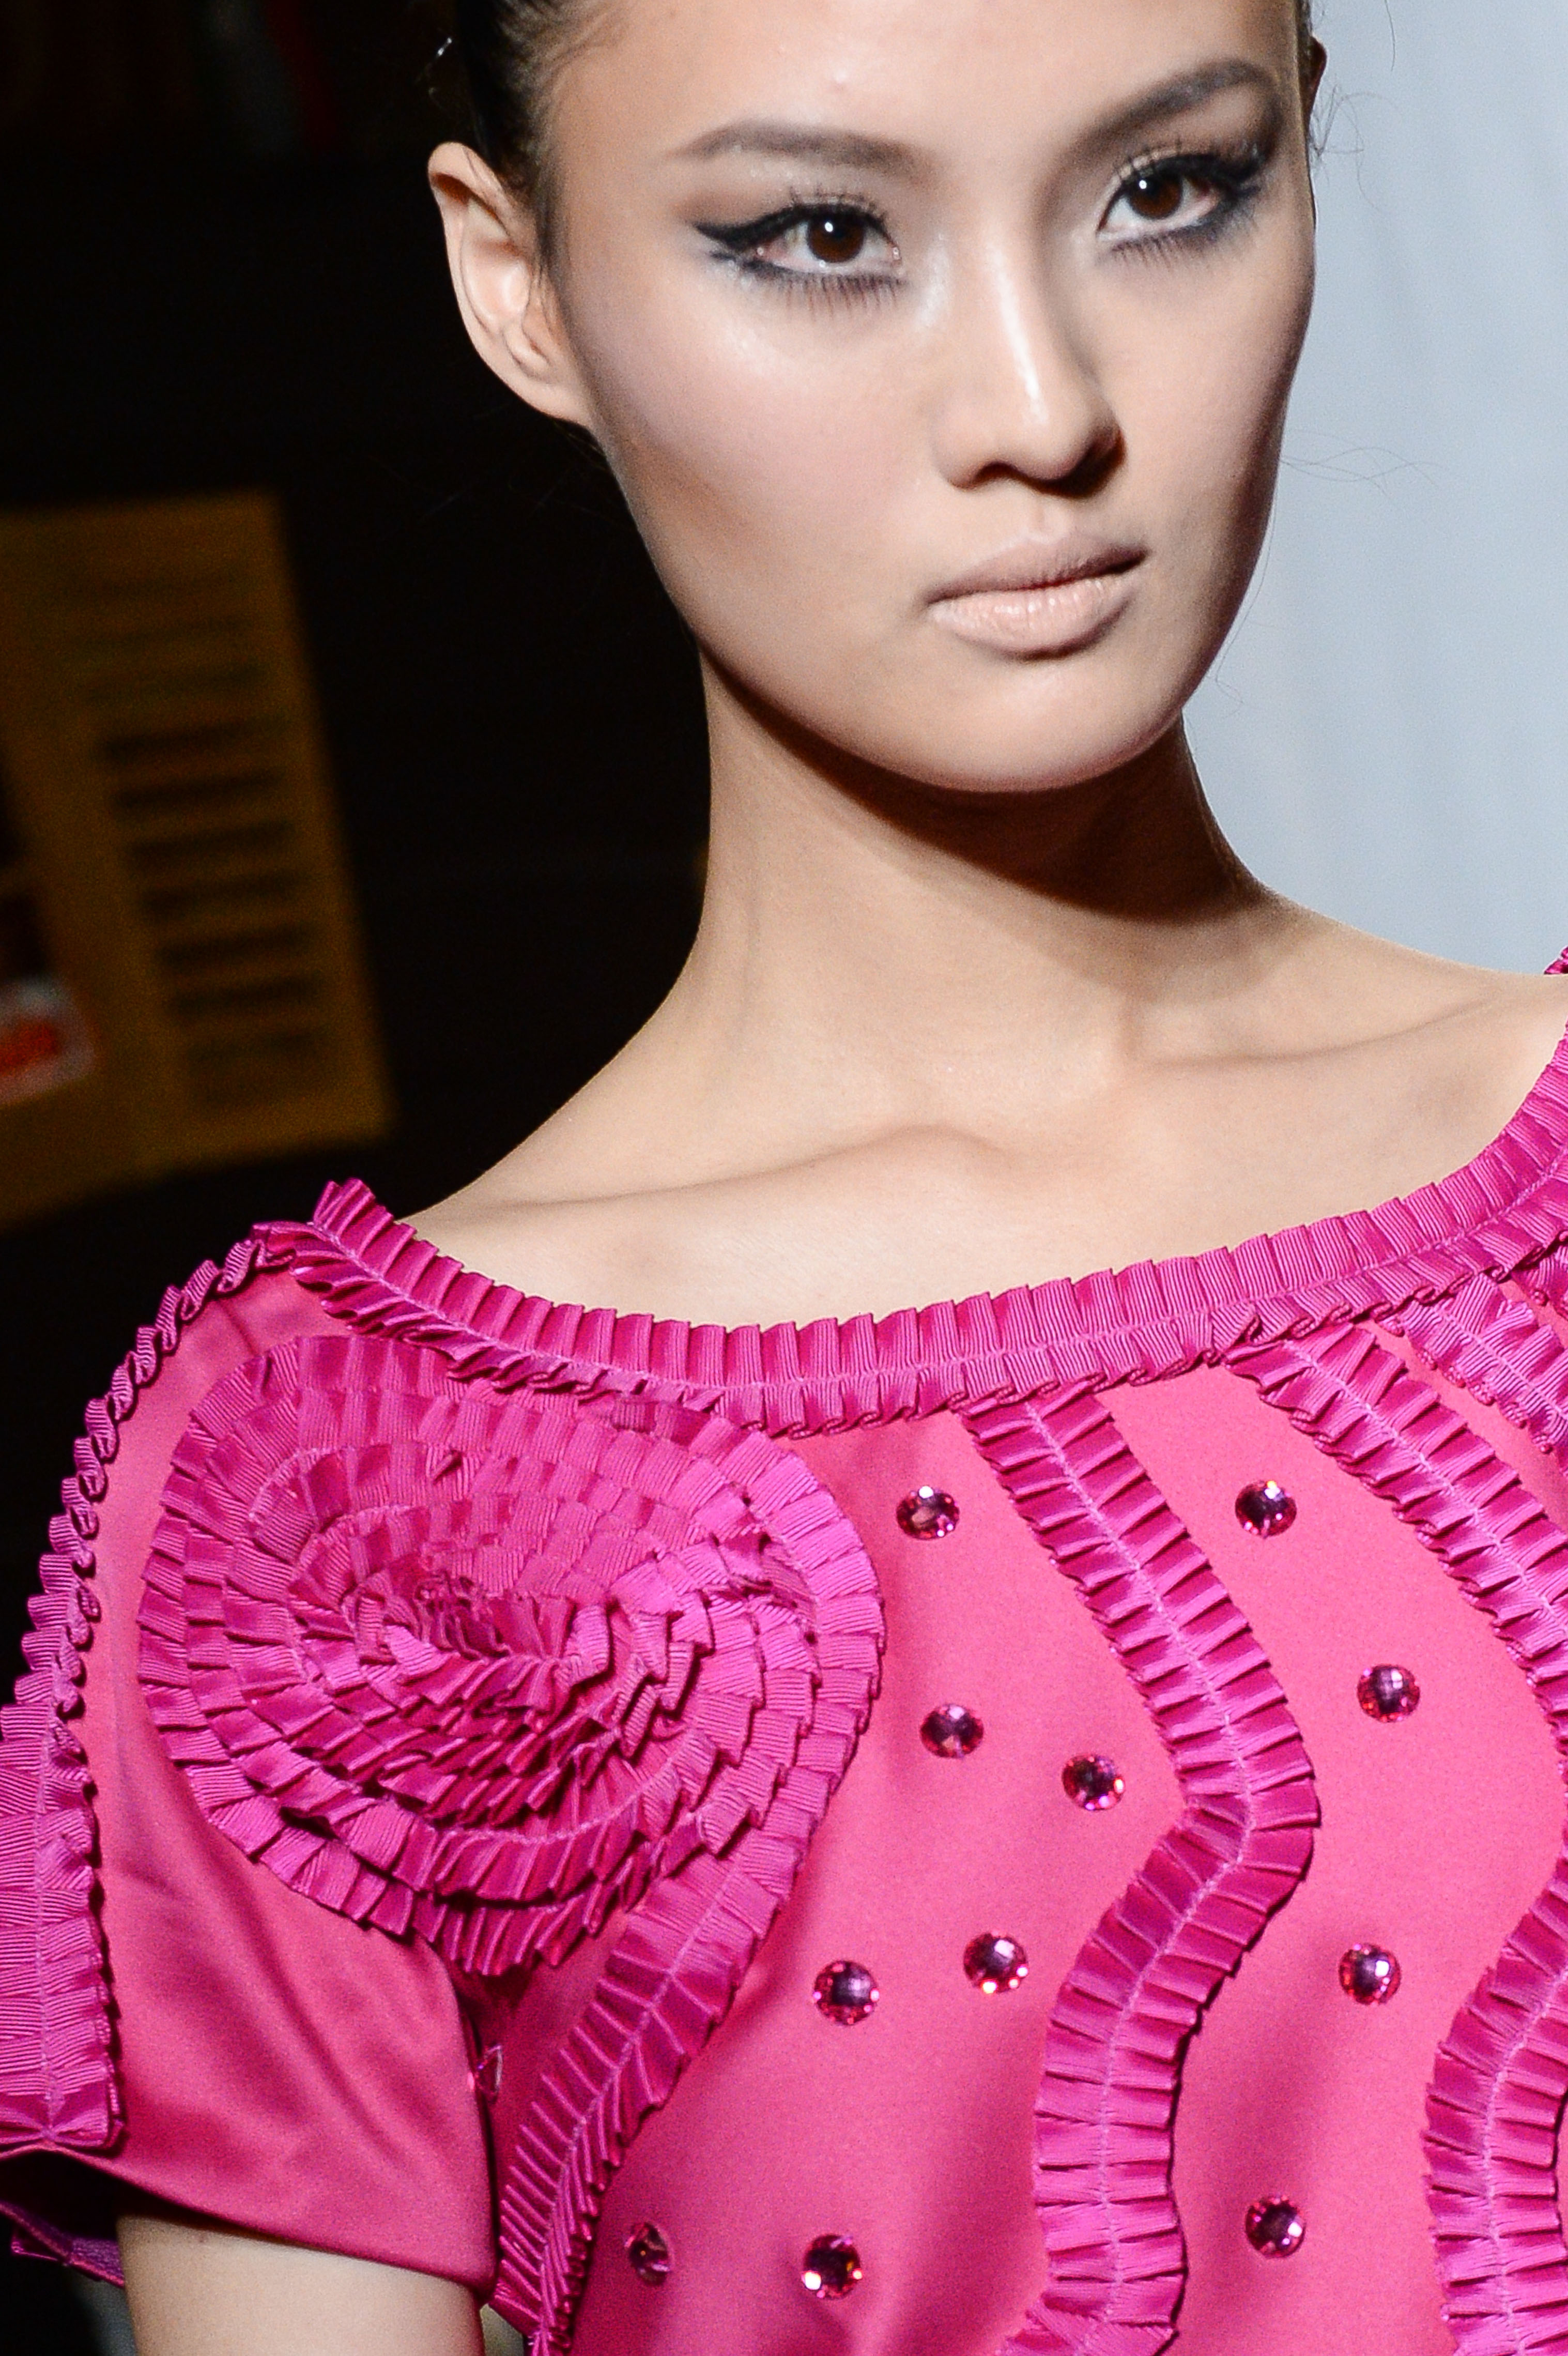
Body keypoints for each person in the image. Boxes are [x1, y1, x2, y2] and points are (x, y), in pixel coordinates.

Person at [4, 0, 1567, 2349]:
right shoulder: (324, 1479)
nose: (1040, 408)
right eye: (822, 235)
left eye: (1169, 190)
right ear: (517, 282)